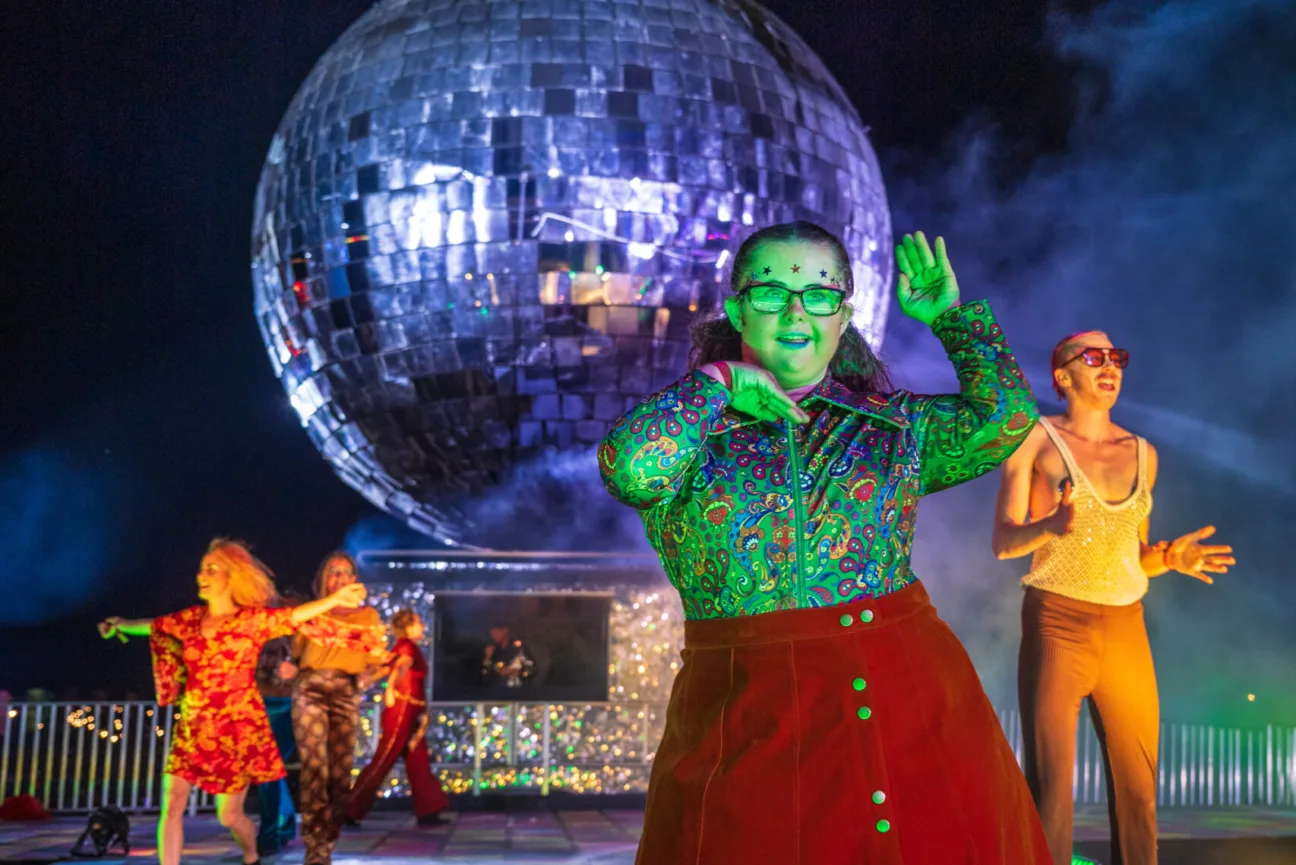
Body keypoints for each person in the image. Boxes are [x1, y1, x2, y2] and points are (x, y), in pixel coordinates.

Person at [599, 221, 1051, 863]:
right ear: (736, 310)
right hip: (744, 710)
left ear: (842, 315)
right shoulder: (690, 432)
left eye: (818, 294)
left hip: (906, 700)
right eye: (769, 292)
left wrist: (951, 317)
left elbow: (1006, 417)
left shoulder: (893, 428)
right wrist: (719, 384)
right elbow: (627, 470)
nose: (794, 311)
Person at [992, 331, 1236, 865]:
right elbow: (1003, 542)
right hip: (1056, 621)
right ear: (1062, 376)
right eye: (1094, 358)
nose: (1111, 367)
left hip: (1126, 626)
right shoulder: (1034, 439)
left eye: (1117, 358)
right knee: (1051, 792)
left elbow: (1134, 554)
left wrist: (1169, 558)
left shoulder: (1143, 454)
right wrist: (1052, 524)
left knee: (1139, 790)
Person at [97, 539, 384, 865]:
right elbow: (153, 626)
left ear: (231, 577)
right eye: (201, 569)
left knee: (230, 816)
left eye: (211, 569)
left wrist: (334, 600)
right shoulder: (188, 620)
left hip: (237, 728)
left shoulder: (250, 621)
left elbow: (292, 616)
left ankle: (251, 855)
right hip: (194, 725)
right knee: (172, 800)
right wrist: (120, 624)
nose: (201, 575)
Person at [282, 552, 386, 865]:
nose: (341, 578)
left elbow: (378, 660)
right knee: (315, 769)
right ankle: (316, 848)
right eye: (335, 572)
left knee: (340, 777)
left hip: (345, 691)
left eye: (347, 573)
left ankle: (327, 837)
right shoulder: (312, 613)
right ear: (324, 578)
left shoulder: (367, 616)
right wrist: (288, 669)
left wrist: (368, 676)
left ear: (355, 580)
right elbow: (296, 655)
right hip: (310, 690)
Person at [345, 610, 451, 826]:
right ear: (409, 626)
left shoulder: (404, 646)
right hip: (402, 710)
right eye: (419, 623)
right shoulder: (407, 646)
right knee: (385, 757)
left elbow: (388, 667)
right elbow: (401, 666)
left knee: (418, 759)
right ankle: (350, 808)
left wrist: (368, 679)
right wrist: (390, 688)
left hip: (412, 712)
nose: (422, 627)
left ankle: (428, 809)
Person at [252, 633, 297, 857]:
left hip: (285, 708)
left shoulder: (295, 639)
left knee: (269, 771)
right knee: (270, 774)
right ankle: (284, 826)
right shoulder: (250, 631)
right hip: (256, 706)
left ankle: (270, 834)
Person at [480, 625, 534, 690]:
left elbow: (532, 669)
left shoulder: (518, 649)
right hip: (495, 693)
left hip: (516, 691)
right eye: (491, 634)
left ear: (505, 631)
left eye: (495, 632)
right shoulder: (493, 650)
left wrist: (514, 671)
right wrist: (487, 658)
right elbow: (484, 675)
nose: (493, 636)